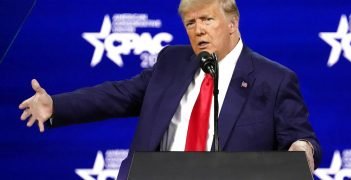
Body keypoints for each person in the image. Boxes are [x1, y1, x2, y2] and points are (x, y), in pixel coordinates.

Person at [19, 0, 321, 179]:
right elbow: (117, 96)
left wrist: (302, 149)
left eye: (206, 20)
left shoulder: (275, 79)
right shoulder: (171, 62)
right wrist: (56, 106)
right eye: (190, 23)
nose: (198, 30)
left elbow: (301, 138)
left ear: (232, 23)